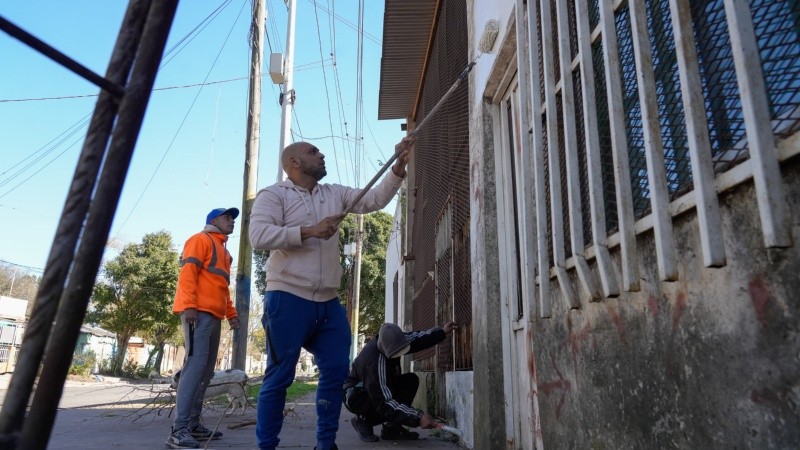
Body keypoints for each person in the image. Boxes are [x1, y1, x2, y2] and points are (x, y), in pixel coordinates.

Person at [248, 137, 415, 450]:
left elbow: (374, 199)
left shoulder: (334, 193)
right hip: (287, 297)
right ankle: (266, 446)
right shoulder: (274, 195)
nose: (321, 154)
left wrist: (398, 166)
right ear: (294, 163)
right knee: (280, 376)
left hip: (327, 301)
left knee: (337, 372)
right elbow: (258, 236)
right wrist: (310, 231)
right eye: (313, 152)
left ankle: (325, 444)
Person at [166, 207, 241, 449]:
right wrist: (189, 305)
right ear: (213, 220)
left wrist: (231, 314)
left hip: (214, 315)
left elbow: (222, 288)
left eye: (232, 218)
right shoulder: (200, 240)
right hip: (197, 313)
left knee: (206, 372)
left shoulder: (224, 252)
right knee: (195, 367)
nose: (231, 221)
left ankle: (193, 424)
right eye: (227, 217)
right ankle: (179, 430)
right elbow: (188, 274)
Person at [343, 321, 458, 442]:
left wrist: (441, 331)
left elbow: (418, 339)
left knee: (410, 381)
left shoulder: (398, 339)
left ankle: (391, 429)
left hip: (377, 386)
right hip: (357, 395)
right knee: (384, 405)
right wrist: (418, 417)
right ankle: (364, 420)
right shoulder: (374, 364)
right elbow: (385, 402)